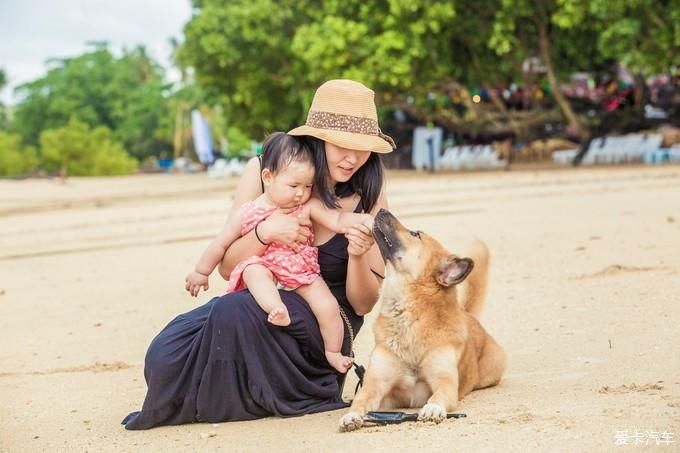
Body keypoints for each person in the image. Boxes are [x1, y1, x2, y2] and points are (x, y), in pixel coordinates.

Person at [122, 79, 395, 429]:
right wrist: (265, 233)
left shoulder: (369, 191)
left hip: (325, 316)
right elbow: (227, 267)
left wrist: (358, 254)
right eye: (342, 144)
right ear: (316, 138)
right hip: (261, 294)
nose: (353, 157)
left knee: (231, 310)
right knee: (166, 351)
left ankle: (241, 396)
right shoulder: (266, 170)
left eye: (363, 147)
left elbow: (362, 305)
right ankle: (228, 391)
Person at [184, 131, 374, 373]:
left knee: (327, 306)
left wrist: (363, 221)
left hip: (301, 271)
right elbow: (220, 244)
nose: (300, 193)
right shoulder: (249, 212)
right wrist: (201, 272)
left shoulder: (307, 206)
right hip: (266, 268)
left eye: (307, 186)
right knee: (254, 271)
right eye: (294, 185)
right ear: (268, 177)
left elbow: (336, 219)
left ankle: (333, 352)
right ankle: (276, 307)